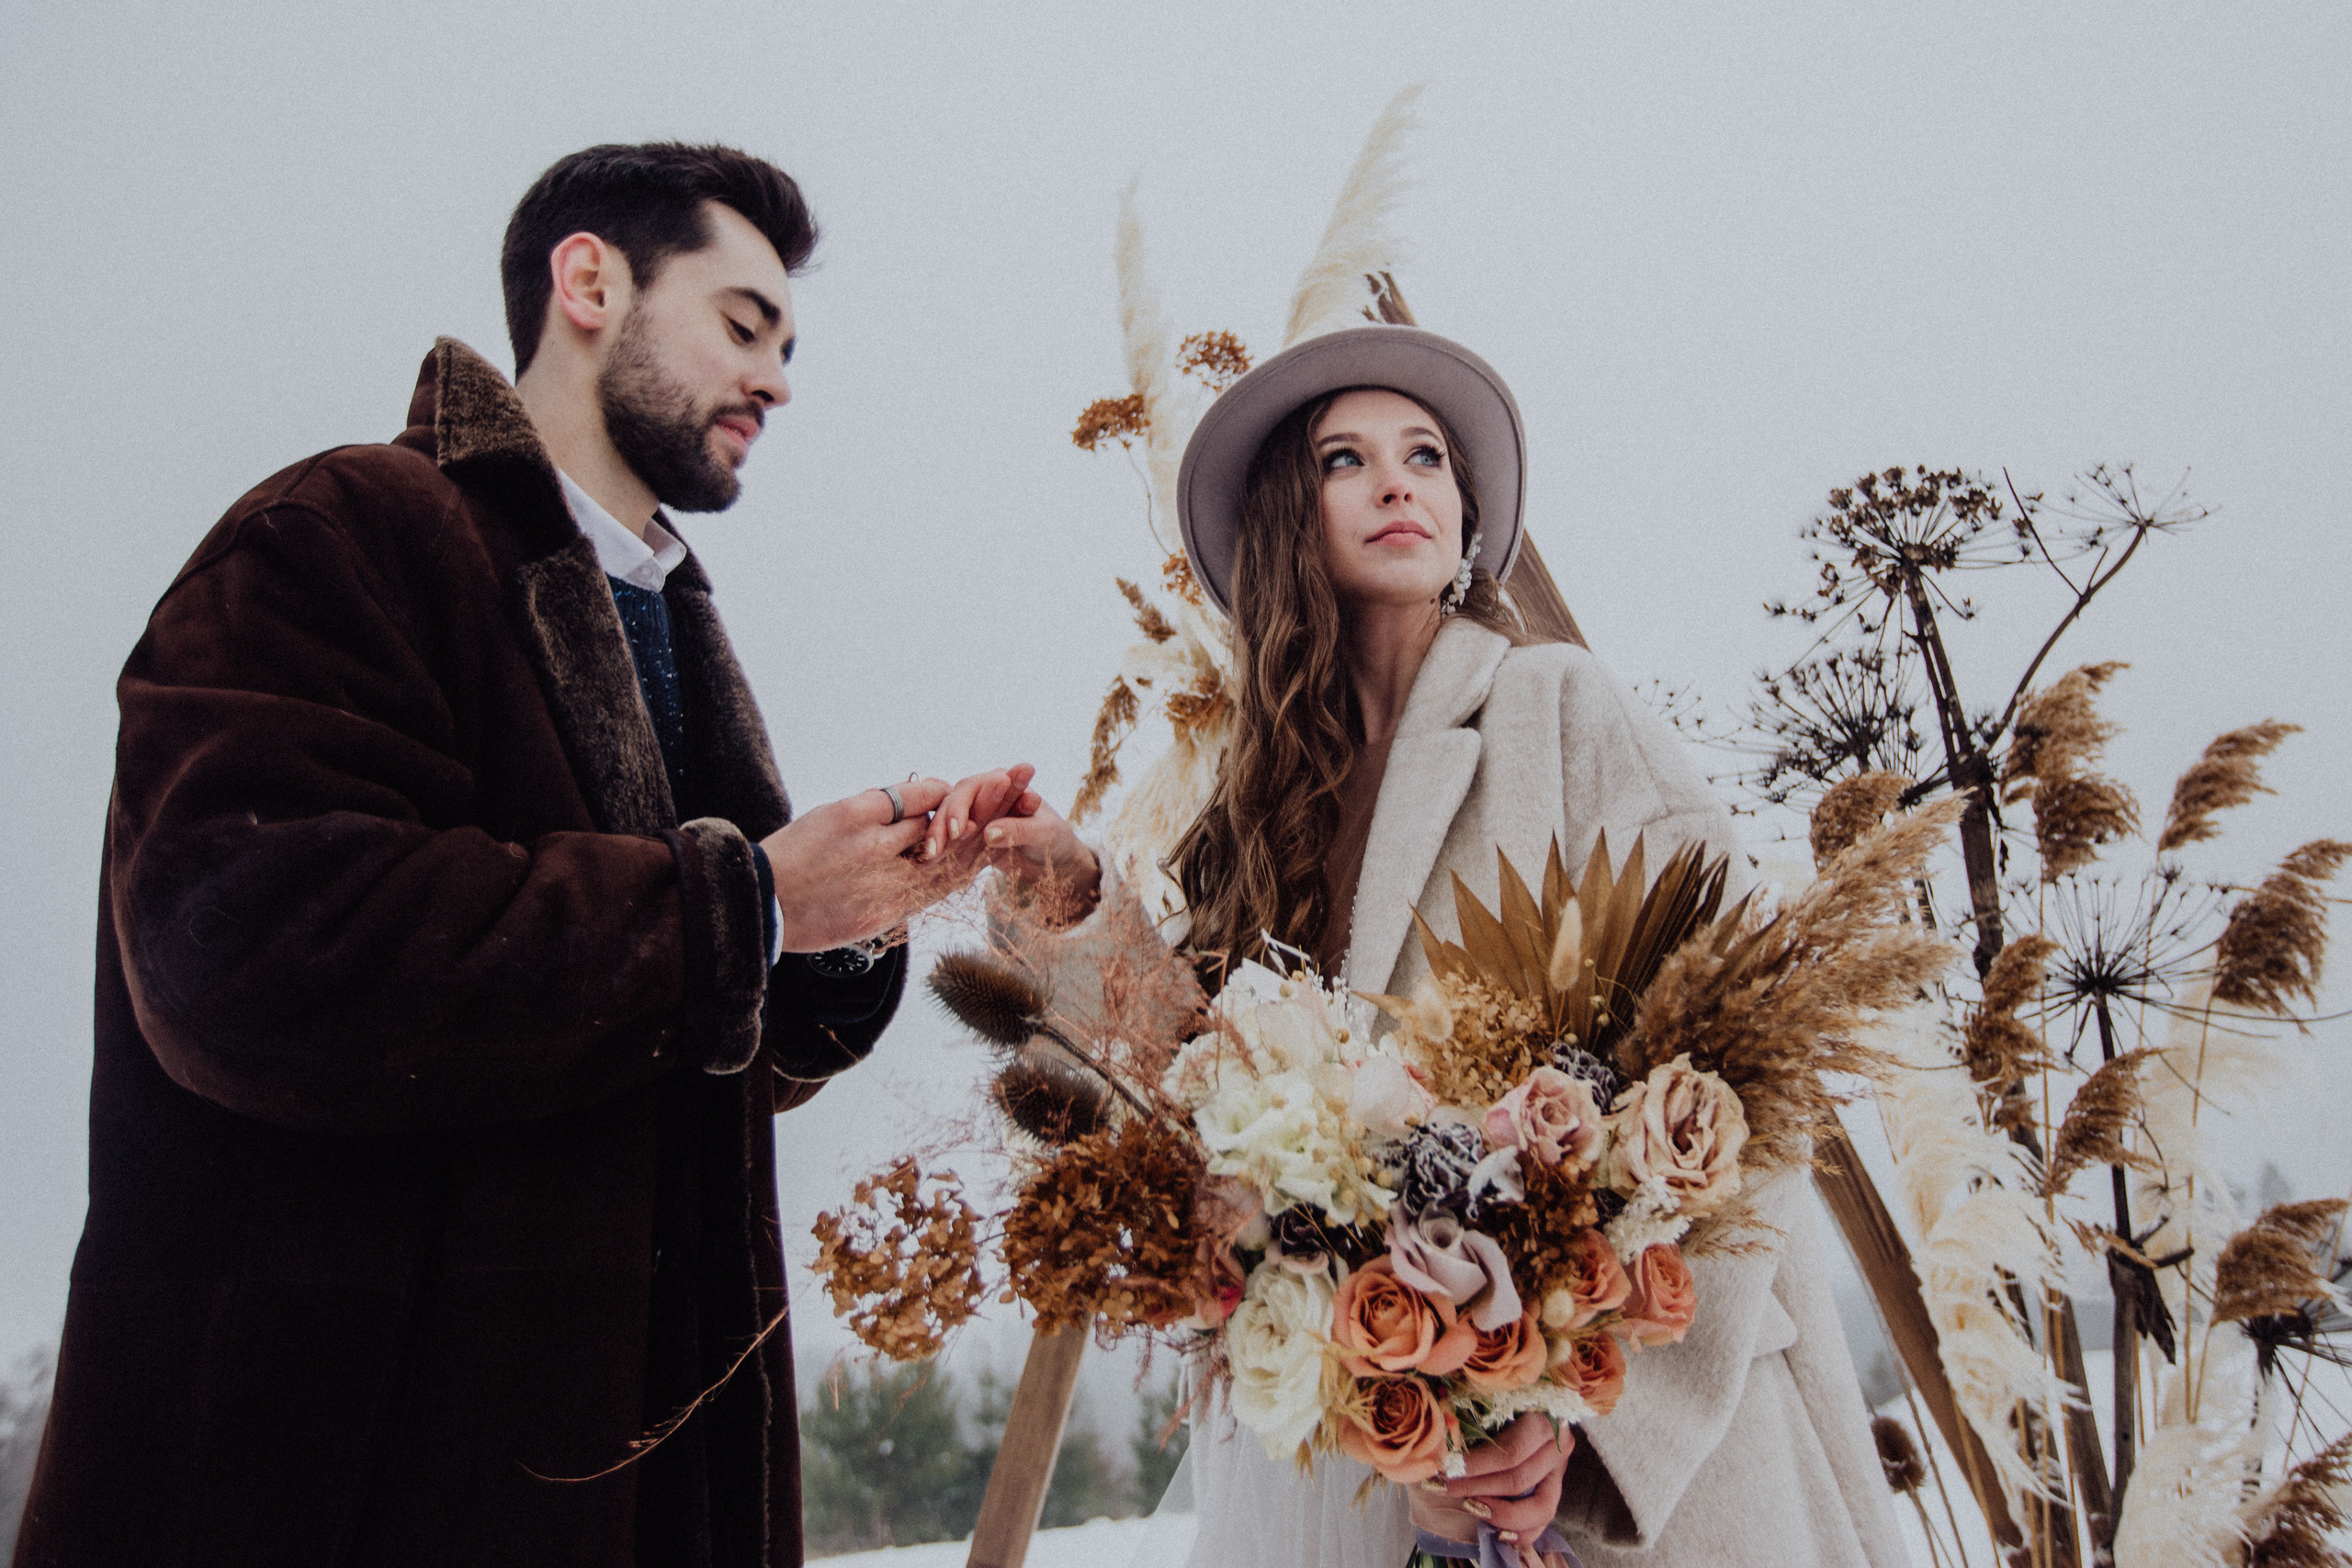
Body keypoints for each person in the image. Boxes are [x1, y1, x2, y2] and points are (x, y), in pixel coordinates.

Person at [15, 141, 1045, 1568]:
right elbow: (243, 949)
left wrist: (854, 908)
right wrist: (745, 901)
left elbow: (666, 1036)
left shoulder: (670, 617)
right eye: (744, 323)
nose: (781, 379)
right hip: (339, 1491)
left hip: (629, 1500)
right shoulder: (336, 532)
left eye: (791, 344)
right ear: (589, 281)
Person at [983, 326, 1908, 1567]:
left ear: (1467, 512)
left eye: (1425, 454)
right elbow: (1205, 1106)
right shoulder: (1253, 812)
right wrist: (1071, 901)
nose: (1396, 479)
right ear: (1282, 516)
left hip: (1634, 1454)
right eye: (1344, 459)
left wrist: (1582, 1412)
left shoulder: (1559, 709)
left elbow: (1752, 1064)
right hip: (1367, 1457)